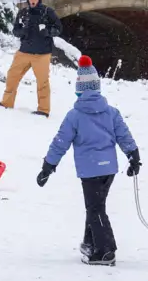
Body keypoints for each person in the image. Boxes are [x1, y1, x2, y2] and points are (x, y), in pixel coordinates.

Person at [36, 56, 140, 266]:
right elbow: (124, 136)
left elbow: (60, 143)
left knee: (95, 209)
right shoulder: (112, 113)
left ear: (79, 90)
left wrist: (48, 166)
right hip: (109, 169)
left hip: (90, 169)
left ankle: (105, 251)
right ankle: (90, 242)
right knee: (96, 206)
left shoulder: (74, 116)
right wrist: (133, 156)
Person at [0, 0, 62, 117]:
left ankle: (43, 110)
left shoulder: (48, 12)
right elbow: (15, 30)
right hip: (24, 52)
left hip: (42, 54)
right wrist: (22, 31)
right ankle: (6, 102)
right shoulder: (23, 13)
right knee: (12, 76)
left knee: (42, 82)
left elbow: (58, 29)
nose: (33, 0)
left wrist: (47, 31)